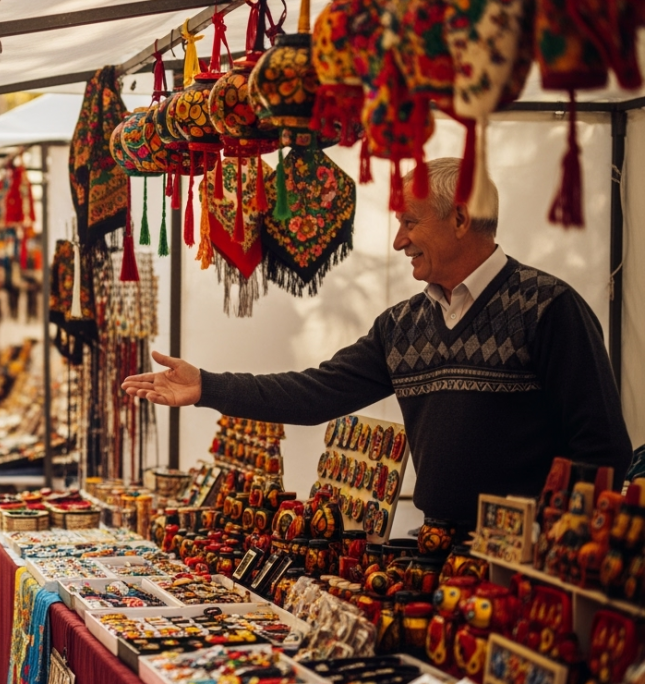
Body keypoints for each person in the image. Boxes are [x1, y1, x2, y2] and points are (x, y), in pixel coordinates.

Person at [122, 158, 632, 527]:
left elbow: (602, 450)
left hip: (527, 566)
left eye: (410, 222)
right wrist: (208, 386)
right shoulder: (402, 325)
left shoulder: (547, 308)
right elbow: (314, 393)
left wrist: (562, 547)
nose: (398, 241)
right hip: (439, 555)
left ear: (459, 219)